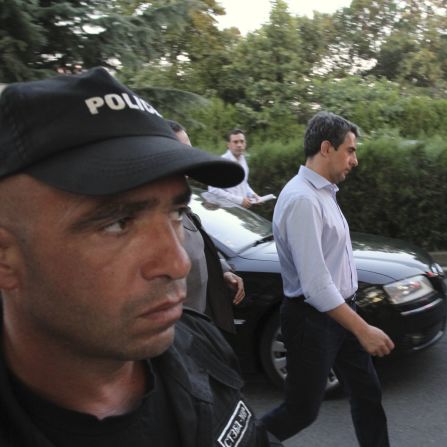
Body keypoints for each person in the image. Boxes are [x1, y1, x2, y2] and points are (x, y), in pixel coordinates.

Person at [0, 68, 276, 446]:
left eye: (176, 214)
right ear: (5, 257)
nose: (178, 264)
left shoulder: (197, 341)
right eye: (118, 223)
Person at [260, 111, 395, 446]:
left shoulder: (323, 192)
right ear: (325, 148)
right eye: (349, 150)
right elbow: (316, 286)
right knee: (301, 411)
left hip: (338, 313)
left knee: (367, 392)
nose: (355, 160)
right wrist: (363, 329)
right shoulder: (302, 199)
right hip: (313, 321)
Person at [167, 119, 244, 334]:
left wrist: (222, 270)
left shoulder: (184, 209)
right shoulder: (149, 218)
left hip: (197, 331)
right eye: (181, 153)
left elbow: (198, 246)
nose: (190, 165)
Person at [207, 129, 261, 208]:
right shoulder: (221, 163)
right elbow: (213, 190)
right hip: (225, 212)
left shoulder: (243, 160)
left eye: (242, 141)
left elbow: (243, 183)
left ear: (245, 144)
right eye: (235, 142)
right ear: (228, 144)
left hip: (240, 212)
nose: (239, 145)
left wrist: (252, 194)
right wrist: (239, 200)